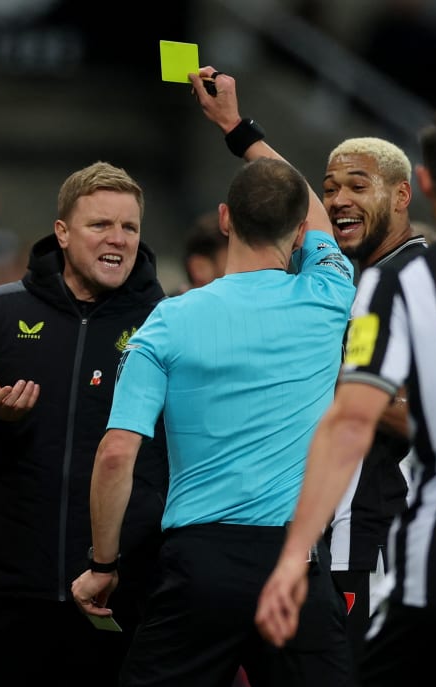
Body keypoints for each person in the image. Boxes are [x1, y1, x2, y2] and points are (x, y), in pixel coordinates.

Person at [71, 82, 357, 685]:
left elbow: (117, 451)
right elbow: (312, 204)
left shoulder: (168, 319)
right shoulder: (329, 294)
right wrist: (237, 128)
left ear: (224, 220)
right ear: (303, 234)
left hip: (199, 564)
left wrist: (104, 562)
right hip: (295, 563)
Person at [255, 102, 436, 685]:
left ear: (423, 184)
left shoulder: (405, 282)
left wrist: (293, 554)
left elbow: (351, 423)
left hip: (432, 570)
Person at [191, 66, 429, 668]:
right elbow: (288, 195)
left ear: (402, 197)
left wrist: (345, 395)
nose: (338, 200)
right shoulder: (335, 278)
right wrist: (237, 128)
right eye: (330, 188)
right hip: (317, 535)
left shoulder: (425, 282)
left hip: (378, 535)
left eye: (358, 185)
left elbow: (435, 414)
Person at [0, 161, 169, 687]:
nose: (118, 239)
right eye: (101, 224)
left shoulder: (165, 322)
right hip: (17, 598)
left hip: (124, 599)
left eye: (130, 227)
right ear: (62, 233)